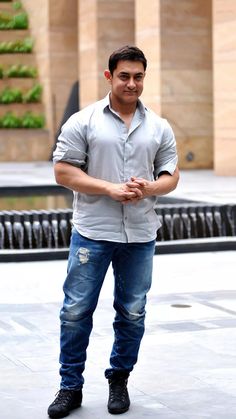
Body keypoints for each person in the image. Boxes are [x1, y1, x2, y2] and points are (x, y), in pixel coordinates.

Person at [48, 45, 179, 418]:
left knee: (133, 311)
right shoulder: (83, 121)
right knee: (75, 311)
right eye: (124, 76)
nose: (132, 83)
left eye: (138, 76)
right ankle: (70, 387)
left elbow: (171, 174)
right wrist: (109, 188)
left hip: (140, 234)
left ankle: (119, 378)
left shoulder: (159, 126)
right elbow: (63, 171)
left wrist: (150, 188)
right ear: (110, 76)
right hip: (92, 231)